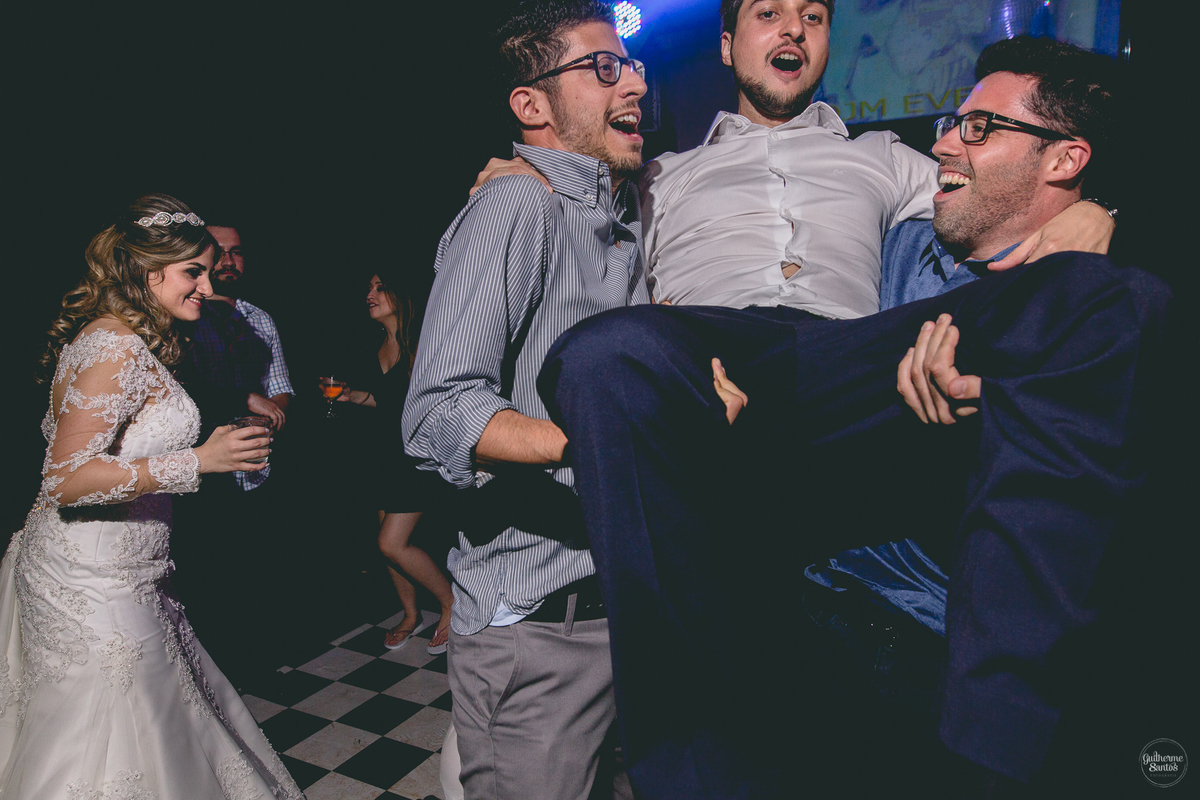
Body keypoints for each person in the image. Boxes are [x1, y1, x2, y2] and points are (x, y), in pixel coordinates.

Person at [541, 32, 1169, 799]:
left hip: (857, 363)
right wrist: (523, 170)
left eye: (977, 127)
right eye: (953, 124)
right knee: (608, 355)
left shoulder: (891, 172)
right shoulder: (684, 179)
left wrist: (1103, 217)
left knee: (1102, 296)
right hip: (752, 358)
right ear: (728, 41)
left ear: (1066, 157)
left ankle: (993, 752)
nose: (943, 142)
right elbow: (593, 240)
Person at [399, 2, 651, 797]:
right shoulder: (518, 204)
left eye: (633, 65)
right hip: (542, 625)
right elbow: (437, 411)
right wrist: (593, 443)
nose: (635, 81)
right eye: (603, 67)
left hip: (619, 607)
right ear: (531, 104)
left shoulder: (617, 220)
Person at [0, 194, 304, 799]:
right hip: (93, 584)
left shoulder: (140, 342)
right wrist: (198, 460)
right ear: (147, 271)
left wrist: (238, 409)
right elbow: (64, 480)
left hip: (130, 571)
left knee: (158, 730)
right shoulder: (112, 347)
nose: (206, 283)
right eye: (193, 271)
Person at [338, 271, 455, 654]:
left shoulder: (422, 343)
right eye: (368, 287)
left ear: (400, 294)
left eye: (378, 287)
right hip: (382, 455)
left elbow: (429, 403)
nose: (369, 294)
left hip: (416, 459)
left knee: (391, 542)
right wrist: (352, 396)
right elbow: (387, 401)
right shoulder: (377, 345)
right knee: (384, 541)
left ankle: (451, 603)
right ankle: (409, 614)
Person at [184, 220, 294, 491]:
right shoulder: (186, 316)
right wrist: (245, 399)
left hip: (258, 467)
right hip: (201, 468)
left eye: (236, 252)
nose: (228, 261)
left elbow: (280, 388)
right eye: (219, 253)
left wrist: (269, 416)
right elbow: (180, 390)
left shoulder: (262, 319)